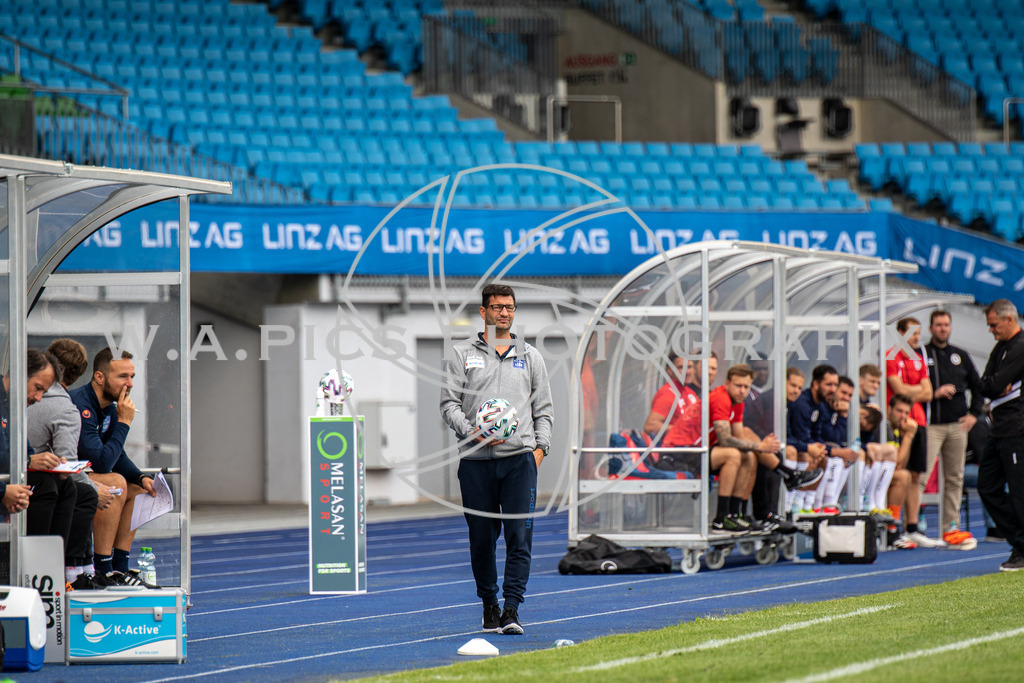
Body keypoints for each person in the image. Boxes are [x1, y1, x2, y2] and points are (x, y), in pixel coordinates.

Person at [440, 284, 553, 635]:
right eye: (496, 307)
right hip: (475, 463)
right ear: (484, 312)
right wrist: (470, 430)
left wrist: (540, 449)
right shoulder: (461, 354)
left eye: (509, 307)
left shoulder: (530, 356)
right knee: (482, 539)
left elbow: (544, 410)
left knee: (519, 537)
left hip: (519, 460)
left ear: (514, 311)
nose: (503, 312)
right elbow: (448, 404)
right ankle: (489, 603)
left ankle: (512, 608)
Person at [663, 364, 821, 532]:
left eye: (746, 387)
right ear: (727, 383)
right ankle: (721, 518)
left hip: (701, 451)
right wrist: (760, 445)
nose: (742, 391)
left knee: (748, 454)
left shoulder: (738, 402)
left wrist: (757, 448)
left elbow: (740, 435)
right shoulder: (720, 398)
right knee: (733, 454)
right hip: (679, 453)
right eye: (738, 386)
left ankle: (736, 514)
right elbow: (725, 439)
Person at [70, 348, 157, 587]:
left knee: (138, 489)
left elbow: (117, 455)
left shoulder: (109, 407)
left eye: (132, 377)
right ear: (99, 377)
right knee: (116, 482)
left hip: (86, 475)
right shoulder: (81, 404)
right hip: (65, 479)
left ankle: (120, 566)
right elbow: (101, 462)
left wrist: (141, 478)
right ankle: (103, 568)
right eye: (122, 377)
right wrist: (125, 423)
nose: (129, 384)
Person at [28, 339, 113, 584]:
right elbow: (75, 463)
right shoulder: (64, 408)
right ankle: (77, 568)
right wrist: (124, 425)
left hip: (28, 474)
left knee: (87, 487)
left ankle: (88, 566)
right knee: (84, 492)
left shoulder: (25, 399)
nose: (36, 397)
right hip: (33, 483)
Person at [923, 310, 983, 549]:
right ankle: (914, 524)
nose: (942, 329)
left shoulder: (960, 355)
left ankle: (951, 527)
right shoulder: (923, 354)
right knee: (922, 475)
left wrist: (973, 415)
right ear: (931, 328)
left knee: (954, 478)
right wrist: (933, 393)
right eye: (938, 325)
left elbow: (979, 388)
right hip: (931, 426)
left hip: (957, 426)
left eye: (946, 325)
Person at [886, 317, 942, 548]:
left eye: (919, 334)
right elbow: (898, 389)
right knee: (899, 470)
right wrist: (916, 389)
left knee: (916, 475)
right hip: (899, 422)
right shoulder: (891, 355)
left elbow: (929, 393)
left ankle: (911, 527)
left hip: (918, 421)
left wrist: (914, 391)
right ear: (900, 333)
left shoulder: (918, 357)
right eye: (912, 333)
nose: (917, 338)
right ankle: (892, 526)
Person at [976, 299, 1024, 571]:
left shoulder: (1020, 346)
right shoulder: (1000, 348)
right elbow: (988, 385)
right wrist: (993, 386)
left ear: (1009, 319)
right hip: (999, 428)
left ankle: (1021, 546)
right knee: (987, 486)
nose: (991, 331)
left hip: (1017, 427)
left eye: (994, 325)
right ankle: (1019, 540)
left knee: (1018, 492)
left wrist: (994, 386)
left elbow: (992, 384)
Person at [0, 350, 61, 518]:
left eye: (44, 392)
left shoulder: (14, 409)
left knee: (67, 487)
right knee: (46, 486)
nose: (39, 398)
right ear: (20, 374)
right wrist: (3, 491)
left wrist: (51, 463)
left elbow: (26, 452)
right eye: (38, 388)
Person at [787, 365, 835, 514]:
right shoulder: (800, 404)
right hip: (787, 448)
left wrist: (820, 447)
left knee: (823, 457)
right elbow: (797, 437)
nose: (833, 389)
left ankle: (809, 505)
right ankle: (792, 504)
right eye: (829, 384)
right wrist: (811, 447)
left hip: (797, 444)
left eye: (835, 385)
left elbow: (817, 435)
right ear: (815, 384)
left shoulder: (819, 405)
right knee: (807, 455)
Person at [814, 376, 864, 513]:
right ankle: (821, 504)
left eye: (850, 395)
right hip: (817, 449)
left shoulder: (843, 411)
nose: (846, 398)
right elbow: (831, 438)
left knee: (855, 454)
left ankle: (836, 502)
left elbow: (844, 440)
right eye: (843, 393)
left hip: (829, 450)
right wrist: (842, 416)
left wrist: (843, 415)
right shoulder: (823, 407)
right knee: (836, 454)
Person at [885, 395, 920, 549]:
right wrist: (910, 436)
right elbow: (898, 464)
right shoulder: (885, 426)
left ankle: (892, 527)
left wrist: (906, 436)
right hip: (867, 473)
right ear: (889, 409)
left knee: (906, 475)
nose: (903, 416)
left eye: (906, 413)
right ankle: (891, 529)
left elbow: (901, 463)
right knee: (903, 476)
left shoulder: (897, 429)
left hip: (881, 473)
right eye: (899, 411)